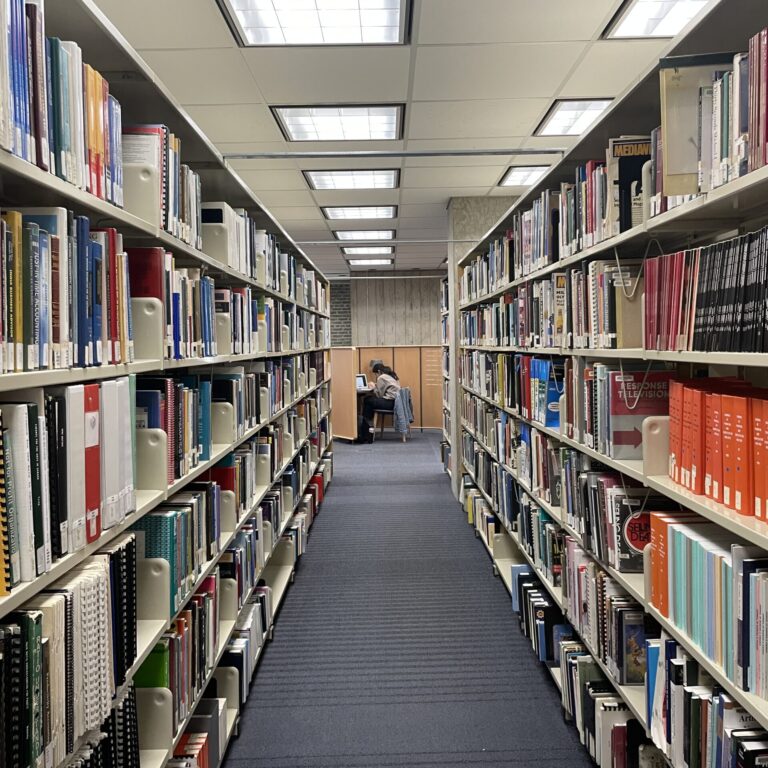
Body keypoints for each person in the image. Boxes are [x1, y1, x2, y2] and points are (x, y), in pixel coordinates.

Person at [355, 362, 401, 443]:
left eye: (375, 374)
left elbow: (379, 395)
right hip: (395, 402)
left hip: (390, 402)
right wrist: (376, 386)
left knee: (367, 400)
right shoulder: (390, 376)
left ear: (379, 372)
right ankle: (368, 429)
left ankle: (366, 430)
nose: (376, 376)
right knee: (369, 401)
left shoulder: (382, 377)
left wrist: (373, 387)